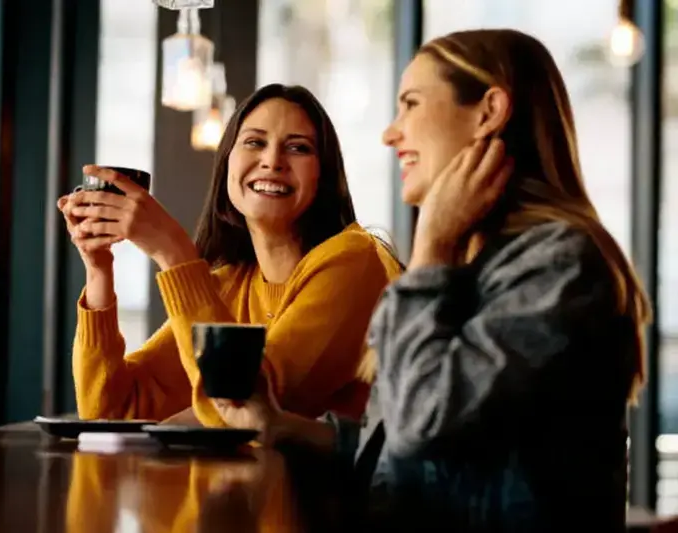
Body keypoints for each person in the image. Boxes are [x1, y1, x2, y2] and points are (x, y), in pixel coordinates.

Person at [210, 29, 651, 531]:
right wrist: (280, 427)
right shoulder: (472, 263)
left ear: (488, 112)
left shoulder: (560, 264)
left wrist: (432, 245)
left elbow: (424, 426)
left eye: (411, 104)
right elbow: (398, 448)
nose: (390, 133)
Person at [57, 83, 403, 428]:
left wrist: (172, 251)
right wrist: (99, 268)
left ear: (323, 176)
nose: (272, 161)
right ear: (226, 165)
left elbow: (245, 408)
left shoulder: (354, 261)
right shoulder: (229, 284)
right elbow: (110, 411)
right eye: (254, 142)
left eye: (298, 148)